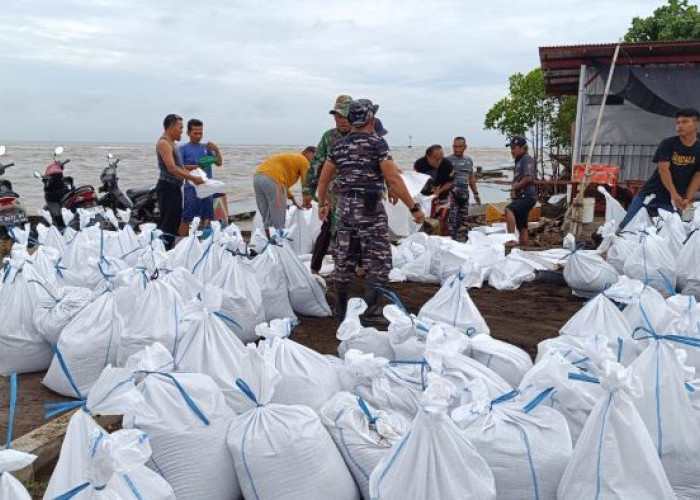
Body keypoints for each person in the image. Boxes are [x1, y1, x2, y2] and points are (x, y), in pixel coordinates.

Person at [317, 99, 425, 319]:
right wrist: (413, 208)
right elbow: (393, 178)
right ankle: (372, 310)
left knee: (344, 255)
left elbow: (323, 179)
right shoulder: (377, 144)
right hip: (369, 208)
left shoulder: (338, 145)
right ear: (370, 119)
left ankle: (341, 308)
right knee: (377, 258)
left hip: (344, 207)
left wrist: (322, 204)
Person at [618, 108, 700, 229]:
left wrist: (688, 198)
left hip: (674, 200)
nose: (680, 126)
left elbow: (698, 175)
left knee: (675, 230)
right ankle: (611, 245)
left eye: (685, 122)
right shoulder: (668, 143)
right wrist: (674, 194)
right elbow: (663, 169)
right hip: (650, 194)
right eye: (678, 123)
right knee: (627, 225)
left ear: (696, 125)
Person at [303, 94, 353, 274]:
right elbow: (316, 164)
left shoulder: (361, 135)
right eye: (338, 116)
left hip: (357, 197)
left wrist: (385, 189)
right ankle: (315, 269)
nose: (342, 121)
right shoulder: (329, 137)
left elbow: (376, 166)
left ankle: (357, 271)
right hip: (334, 195)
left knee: (356, 233)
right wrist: (308, 191)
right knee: (328, 230)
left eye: (346, 116)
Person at [155, 114, 204, 250]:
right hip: (167, 187)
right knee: (168, 223)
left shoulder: (172, 144)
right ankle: (162, 253)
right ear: (171, 127)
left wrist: (194, 170)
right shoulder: (164, 143)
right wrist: (193, 178)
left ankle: (167, 251)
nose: (182, 131)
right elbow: (171, 168)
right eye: (180, 127)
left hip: (174, 187)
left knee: (175, 221)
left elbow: (180, 167)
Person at [254, 147, 317, 238]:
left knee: (266, 212)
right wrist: (306, 201)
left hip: (257, 178)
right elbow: (306, 184)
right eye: (315, 156)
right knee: (278, 211)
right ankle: (280, 242)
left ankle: (269, 240)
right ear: (307, 152)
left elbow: (282, 187)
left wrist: (292, 198)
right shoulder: (303, 160)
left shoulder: (293, 160)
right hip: (272, 178)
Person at [178, 118, 223, 235]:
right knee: (187, 218)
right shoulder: (183, 149)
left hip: (207, 188)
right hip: (191, 187)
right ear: (188, 133)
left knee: (206, 217)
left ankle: (203, 241)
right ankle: (182, 243)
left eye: (200, 133)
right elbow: (178, 167)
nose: (198, 136)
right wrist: (197, 166)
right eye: (195, 133)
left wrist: (216, 150)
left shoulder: (206, 148)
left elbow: (218, 163)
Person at [413, 144, 454, 235]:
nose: (439, 162)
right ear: (428, 157)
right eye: (436, 159)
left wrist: (440, 191)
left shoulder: (447, 164)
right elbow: (414, 181)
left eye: (441, 158)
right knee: (424, 220)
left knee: (442, 220)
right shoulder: (419, 164)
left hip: (443, 196)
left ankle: (443, 239)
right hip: (424, 197)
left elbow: (451, 182)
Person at [446, 136, 480, 241]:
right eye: (455, 146)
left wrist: (476, 193)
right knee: (451, 220)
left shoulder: (468, 160)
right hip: (452, 194)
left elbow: (471, 178)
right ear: (452, 146)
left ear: (465, 147)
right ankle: (450, 241)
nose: (457, 149)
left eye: (460, 146)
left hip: (464, 194)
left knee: (462, 219)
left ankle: (458, 240)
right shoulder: (447, 161)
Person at [504, 136, 537, 247]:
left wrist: (515, 188)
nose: (512, 150)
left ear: (523, 148)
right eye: (511, 148)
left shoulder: (527, 159)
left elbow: (528, 178)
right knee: (522, 226)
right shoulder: (519, 160)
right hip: (521, 195)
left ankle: (511, 239)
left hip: (527, 195)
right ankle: (524, 249)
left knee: (509, 209)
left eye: (515, 147)